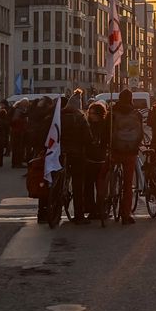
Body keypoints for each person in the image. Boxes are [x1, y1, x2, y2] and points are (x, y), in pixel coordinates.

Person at [110, 90, 144, 225]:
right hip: (130, 151)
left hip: (116, 150)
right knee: (128, 184)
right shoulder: (136, 114)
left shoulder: (112, 113)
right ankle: (125, 214)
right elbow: (140, 133)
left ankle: (106, 199)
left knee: (106, 173)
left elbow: (107, 132)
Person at [61, 92, 90, 224]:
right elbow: (87, 137)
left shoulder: (59, 116)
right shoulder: (80, 117)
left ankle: (56, 204)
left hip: (61, 153)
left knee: (60, 178)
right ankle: (79, 215)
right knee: (78, 184)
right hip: (77, 154)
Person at [82, 100, 109, 222]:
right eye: (91, 113)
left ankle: (101, 208)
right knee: (89, 186)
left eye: (95, 113)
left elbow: (107, 139)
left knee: (101, 186)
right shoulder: (86, 125)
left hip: (101, 159)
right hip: (89, 159)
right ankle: (92, 209)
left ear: (100, 114)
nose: (92, 115)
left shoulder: (106, 125)